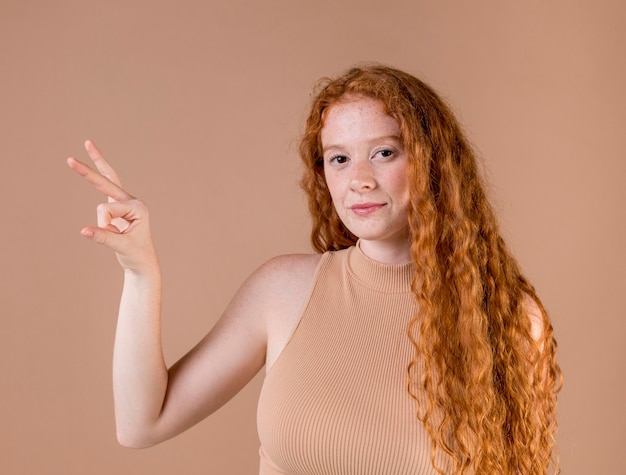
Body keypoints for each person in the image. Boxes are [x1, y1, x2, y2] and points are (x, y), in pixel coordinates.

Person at [67, 64, 561, 474]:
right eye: (339, 158)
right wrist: (140, 272)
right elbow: (141, 424)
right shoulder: (283, 291)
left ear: (433, 164)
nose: (359, 180)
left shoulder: (507, 318)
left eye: (384, 152)